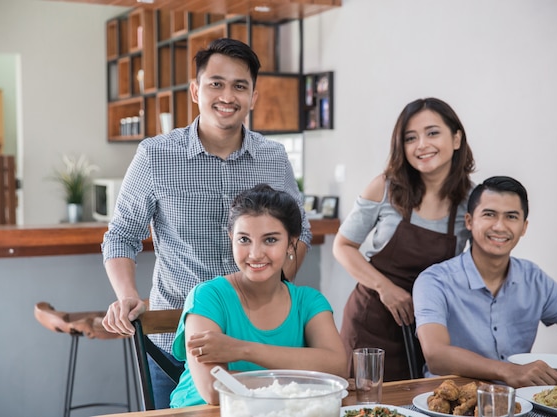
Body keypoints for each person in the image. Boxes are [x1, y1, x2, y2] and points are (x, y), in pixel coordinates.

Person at [100, 38, 312, 408]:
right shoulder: (155, 155)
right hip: (175, 342)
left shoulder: (273, 156)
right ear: (196, 90)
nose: (227, 95)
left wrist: (273, 287)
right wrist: (127, 296)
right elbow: (121, 235)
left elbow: (300, 233)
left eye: (239, 86)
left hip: (258, 342)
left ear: (253, 97)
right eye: (216, 83)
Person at [333, 97, 476, 381]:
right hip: (371, 322)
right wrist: (385, 288)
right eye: (411, 138)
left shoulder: (470, 201)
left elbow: (481, 267)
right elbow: (343, 246)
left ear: (456, 138)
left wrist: (539, 299)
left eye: (432, 133)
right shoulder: (385, 187)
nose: (422, 145)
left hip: (430, 328)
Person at [413, 176, 557, 387]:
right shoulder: (434, 281)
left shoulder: (534, 278)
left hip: (519, 402)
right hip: (448, 402)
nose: (499, 226)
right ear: (469, 221)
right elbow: (436, 355)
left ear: (524, 227)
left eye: (511, 217)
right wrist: (509, 372)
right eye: (489, 214)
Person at [169, 184, 347, 407]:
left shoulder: (309, 302)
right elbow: (214, 391)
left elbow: (338, 368)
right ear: (231, 238)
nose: (255, 254)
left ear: (292, 243)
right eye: (244, 240)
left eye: (270, 240)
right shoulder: (208, 296)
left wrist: (240, 349)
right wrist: (305, 377)